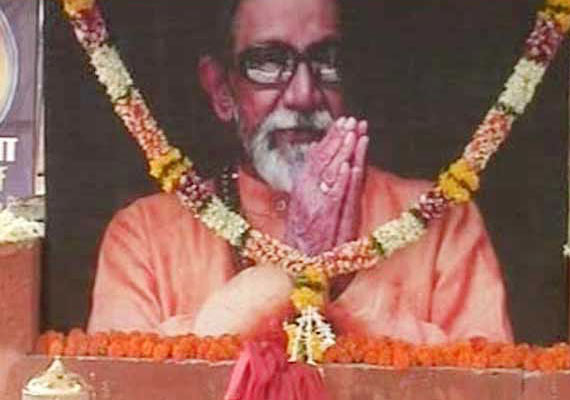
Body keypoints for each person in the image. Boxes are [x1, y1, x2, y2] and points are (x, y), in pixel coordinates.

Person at [87, 0, 513, 344]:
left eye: (327, 60)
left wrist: (344, 285)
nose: (304, 95)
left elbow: (489, 384)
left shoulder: (439, 223)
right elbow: (122, 384)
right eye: (269, 62)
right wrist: (288, 274)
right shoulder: (145, 235)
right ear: (221, 90)